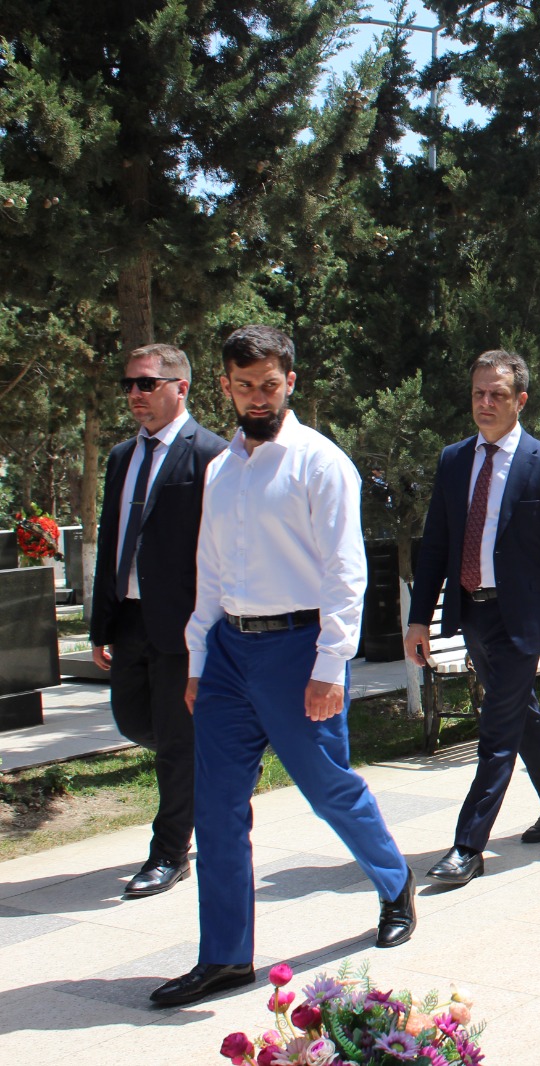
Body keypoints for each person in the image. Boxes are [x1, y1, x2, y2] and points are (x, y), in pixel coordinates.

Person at [151, 326, 415, 1009]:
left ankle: (394, 884)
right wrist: (197, 655)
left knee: (328, 788)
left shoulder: (320, 462)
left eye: (270, 384)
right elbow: (209, 572)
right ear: (224, 387)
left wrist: (331, 664)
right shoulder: (221, 469)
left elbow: (345, 572)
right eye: (244, 386)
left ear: (290, 380)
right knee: (215, 807)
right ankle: (226, 957)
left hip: (299, 652)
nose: (258, 398)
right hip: (229, 656)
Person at [406, 350, 540, 888]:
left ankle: (469, 845)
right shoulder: (454, 459)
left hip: (522, 620)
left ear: (520, 400)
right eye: (478, 393)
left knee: (496, 730)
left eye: (498, 395)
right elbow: (437, 544)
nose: (486, 403)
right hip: (472, 613)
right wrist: (421, 620)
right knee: (519, 714)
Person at [90, 343, 228, 899]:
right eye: (129, 384)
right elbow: (109, 539)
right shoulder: (122, 456)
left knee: (174, 741)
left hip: (183, 624)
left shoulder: (211, 456)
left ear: (181, 387)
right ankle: (199, 765)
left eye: (146, 383)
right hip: (128, 618)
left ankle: (170, 851)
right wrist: (101, 623)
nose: (134, 394)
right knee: (132, 723)